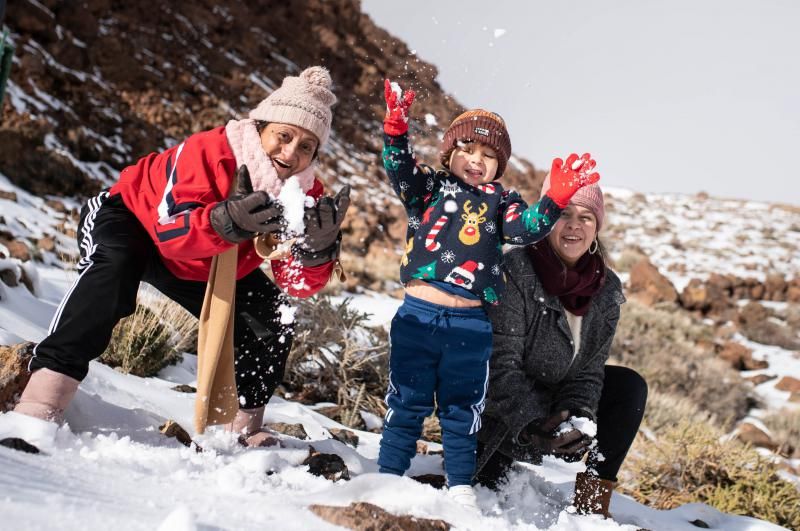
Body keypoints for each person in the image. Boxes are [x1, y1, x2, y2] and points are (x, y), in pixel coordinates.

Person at [12, 66, 350, 446]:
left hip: (205, 260)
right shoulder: (211, 150)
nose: (291, 153)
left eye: (307, 146)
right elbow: (170, 233)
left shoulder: (304, 193)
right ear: (260, 128)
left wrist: (316, 251)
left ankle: (244, 429)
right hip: (133, 220)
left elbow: (295, 283)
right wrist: (224, 221)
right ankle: (42, 400)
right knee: (113, 271)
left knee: (274, 316)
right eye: (283, 136)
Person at [377, 79, 600, 509]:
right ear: (449, 154)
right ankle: (388, 476)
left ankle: (459, 484)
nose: (477, 160)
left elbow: (528, 228)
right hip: (418, 316)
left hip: (470, 325)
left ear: (500, 166)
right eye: (468, 150)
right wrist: (396, 128)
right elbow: (398, 168)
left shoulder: (503, 203)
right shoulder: (428, 189)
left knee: (462, 410)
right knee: (406, 401)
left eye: (490, 155)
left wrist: (553, 200)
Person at [474, 182, 648, 518]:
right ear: (547, 219)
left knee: (628, 387)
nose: (574, 225)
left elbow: (588, 370)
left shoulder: (606, 288)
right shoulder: (516, 270)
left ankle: (592, 508)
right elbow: (499, 366)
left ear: (597, 228)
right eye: (564, 214)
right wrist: (536, 427)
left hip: (554, 402)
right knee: (487, 494)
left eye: (586, 217)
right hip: (502, 414)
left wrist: (579, 415)